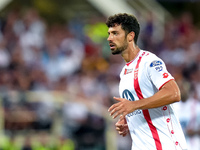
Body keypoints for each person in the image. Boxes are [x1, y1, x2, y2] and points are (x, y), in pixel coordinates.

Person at [106, 13, 188, 150]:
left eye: (115, 33)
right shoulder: (124, 72)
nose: (109, 38)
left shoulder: (149, 61)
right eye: (109, 34)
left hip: (164, 145)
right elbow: (139, 106)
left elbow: (174, 93)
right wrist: (129, 121)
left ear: (130, 36)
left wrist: (134, 105)